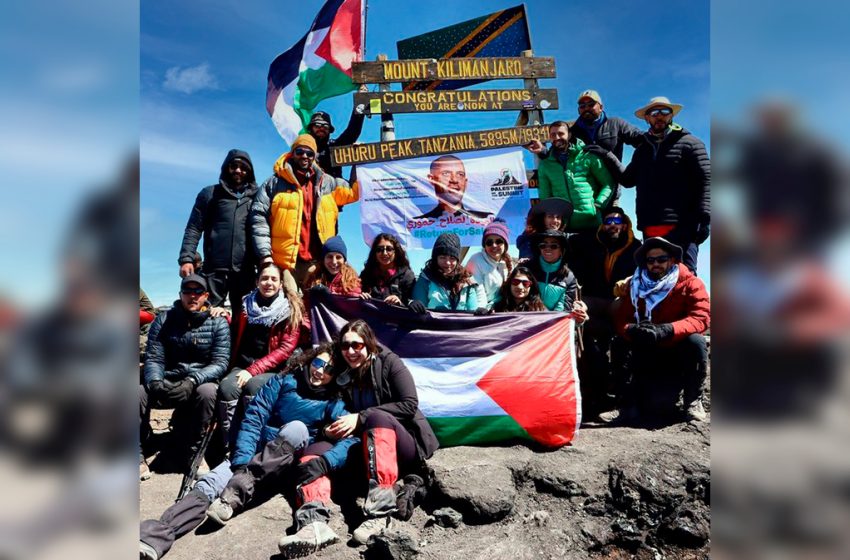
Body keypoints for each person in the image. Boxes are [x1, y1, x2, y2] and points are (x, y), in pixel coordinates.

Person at [139, 344, 355, 560]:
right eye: (318, 363)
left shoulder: (334, 402)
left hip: (286, 465)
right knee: (209, 484)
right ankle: (155, 536)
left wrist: (326, 461)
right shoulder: (283, 381)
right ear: (309, 361)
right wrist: (241, 460)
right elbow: (254, 419)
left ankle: (239, 489)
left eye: (329, 370)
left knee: (297, 429)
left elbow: (351, 439)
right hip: (254, 457)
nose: (320, 372)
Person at [317, 320, 439, 545]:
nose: (351, 351)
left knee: (376, 417)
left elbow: (409, 404)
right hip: (366, 446)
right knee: (317, 449)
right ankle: (313, 522)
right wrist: (328, 430)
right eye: (345, 346)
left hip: (404, 443)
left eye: (357, 345)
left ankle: (380, 514)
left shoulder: (389, 362)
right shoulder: (342, 371)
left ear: (369, 345)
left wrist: (361, 417)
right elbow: (330, 409)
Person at [611, 238, 711, 425]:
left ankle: (693, 401)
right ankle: (626, 405)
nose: (655, 264)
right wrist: (632, 330)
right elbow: (622, 319)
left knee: (696, 342)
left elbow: (701, 317)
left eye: (661, 259)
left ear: (673, 260)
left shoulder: (692, 283)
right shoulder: (635, 285)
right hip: (646, 351)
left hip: (675, 352)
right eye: (650, 260)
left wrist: (668, 329)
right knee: (619, 343)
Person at [140, 275, 231, 479]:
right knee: (138, 391)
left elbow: (220, 362)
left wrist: (193, 380)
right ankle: (137, 453)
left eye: (198, 292)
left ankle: (195, 453)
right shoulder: (164, 319)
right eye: (187, 291)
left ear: (206, 296)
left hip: (198, 382)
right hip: (168, 379)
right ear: (180, 294)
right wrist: (155, 381)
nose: (192, 296)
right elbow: (154, 357)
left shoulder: (218, 323)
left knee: (208, 392)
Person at [217, 262, 308, 451]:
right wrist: (223, 315)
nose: (269, 283)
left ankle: (253, 444)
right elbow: (236, 329)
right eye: (264, 278)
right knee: (227, 388)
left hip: (274, 368)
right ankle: (230, 445)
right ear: (257, 281)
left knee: (253, 386)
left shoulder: (290, 310)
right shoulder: (245, 305)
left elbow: (285, 349)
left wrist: (253, 371)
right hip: (243, 365)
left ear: (281, 284)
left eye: (274, 279)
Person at [251, 134, 360, 288]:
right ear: (292, 153)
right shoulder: (274, 183)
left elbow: (353, 193)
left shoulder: (327, 182)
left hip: (317, 264)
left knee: (314, 310)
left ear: (314, 156)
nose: (304, 156)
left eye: (309, 153)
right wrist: (265, 256)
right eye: (300, 151)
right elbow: (258, 218)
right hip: (285, 265)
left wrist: (357, 161)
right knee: (290, 310)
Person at [620, 97, 711, 275]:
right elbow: (627, 180)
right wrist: (607, 156)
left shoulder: (690, 143)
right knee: (654, 276)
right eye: (654, 112)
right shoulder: (642, 149)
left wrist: (705, 217)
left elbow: (706, 179)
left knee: (685, 277)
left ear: (671, 116)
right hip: (650, 226)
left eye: (664, 112)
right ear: (647, 118)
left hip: (683, 226)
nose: (659, 116)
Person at [567, 207, 642, 417]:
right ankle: (590, 391)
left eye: (617, 221)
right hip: (595, 301)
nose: (612, 225)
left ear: (625, 224)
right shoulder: (590, 243)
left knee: (621, 324)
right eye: (608, 221)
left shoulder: (636, 248)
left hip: (621, 302)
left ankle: (620, 340)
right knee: (580, 317)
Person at [178, 149, 260, 318]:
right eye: (234, 166)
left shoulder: (257, 196)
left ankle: (240, 346)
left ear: (249, 172)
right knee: (209, 316)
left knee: (246, 318)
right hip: (214, 270)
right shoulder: (209, 194)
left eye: (243, 167)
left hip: (245, 270)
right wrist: (186, 258)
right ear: (226, 168)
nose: (238, 170)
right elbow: (194, 228)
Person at [524, 121, 616, 232]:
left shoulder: (588, 157)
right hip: (564, 226)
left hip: (593, 223)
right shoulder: (546, 165)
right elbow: (546, 197)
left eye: (561, 134)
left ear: (570, 135)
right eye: (553, 135)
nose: (557, 137)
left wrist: (598, 204)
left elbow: (608, 183)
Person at [522, 230, 588, 322]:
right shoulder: (526, 269)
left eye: (554, 246)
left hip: (554, 325)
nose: (547, 248)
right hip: (526, 320)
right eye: (543, 245)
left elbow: (566, 308)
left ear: (562, 250)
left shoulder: (569, 277)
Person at [410, 233, 483, 313]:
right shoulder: (426, 279)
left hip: (460, 324)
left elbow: (473, 310)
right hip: (433, 324)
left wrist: (480, 312)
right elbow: (419, 307)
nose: (447, 262)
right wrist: (414, 304)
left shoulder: (466, 281)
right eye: (442, 257)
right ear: (435, 258)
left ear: (457, 260)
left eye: (452, 258)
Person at [412, 155, 492, 220]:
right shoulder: (420, 223)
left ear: (465, 182)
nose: (454, 180)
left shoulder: (485, 220)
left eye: (460, 174)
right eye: (446, 173)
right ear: (431, 179)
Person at [465, 219, 514, 309]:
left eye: (499, 241)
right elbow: (478, 291)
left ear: (505, 244)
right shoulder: (476, 260)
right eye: (489, 242)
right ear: (484, 245)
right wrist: (482, 313)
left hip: (500, 308)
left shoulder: (508, 262)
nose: (494, 245)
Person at [306, 110, 366, 179]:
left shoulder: (334, 146)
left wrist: (359, 112)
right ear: (311, 129)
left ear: (329, 130)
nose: (321, 128)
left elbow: (351, 133)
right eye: (317, 125)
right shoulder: (302, 150)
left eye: (325, 126)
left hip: (336, 188)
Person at [359, 233, 416, 306]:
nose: (384, 253)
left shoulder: (407, 275)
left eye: (389, 249)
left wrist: (399, 303)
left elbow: (412, 303)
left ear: (396, 251)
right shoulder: (366, 275)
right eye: (380, 249)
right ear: (374, 253)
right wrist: (361, 296)